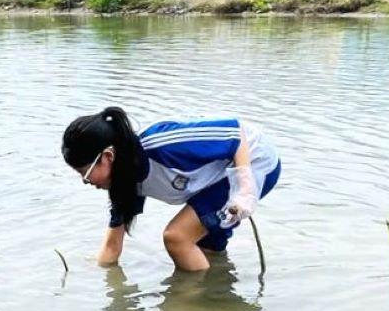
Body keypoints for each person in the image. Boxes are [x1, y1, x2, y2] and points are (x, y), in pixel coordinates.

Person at [61, 106, 282, 272]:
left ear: (107, 157)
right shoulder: (123, 185)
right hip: (211, 180)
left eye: (85, 173)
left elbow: (234, 133)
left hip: (255, 161)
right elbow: (111, 247)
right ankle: (217, 296)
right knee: (207, 250)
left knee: (177, 237)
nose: (87, 182)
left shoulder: (162, 144)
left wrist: (244, 189)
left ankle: (192, 308)